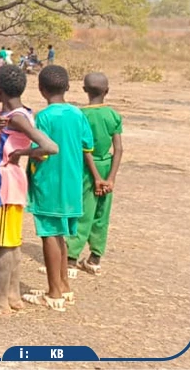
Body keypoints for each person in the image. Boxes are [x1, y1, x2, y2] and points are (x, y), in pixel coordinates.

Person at [0, 65, 58, 317]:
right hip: (0, 186)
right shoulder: (4, 114)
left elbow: (50, 147)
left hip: (4, 186)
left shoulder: (17, 118)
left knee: (3, 245)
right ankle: (12, 295)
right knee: (10, 242)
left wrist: (21, 153)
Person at [24, 65, 93, 312]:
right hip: (72, 183)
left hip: (50, 183)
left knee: (49, 235)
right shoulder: (77, 114)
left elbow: (41, 151)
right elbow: (87, 145)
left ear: (41, 89)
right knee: (59, 234)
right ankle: (63, 286)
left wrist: (22, 153)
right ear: (68, 87)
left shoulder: (44, 117)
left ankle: (53, 294)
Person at [69, 72, 123, 276]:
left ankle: (71, 259)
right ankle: (95, 259)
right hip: (107, 165)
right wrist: (110, 178)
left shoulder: (80, 115)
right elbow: (119, 149)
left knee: (83, 211)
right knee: (102, 213)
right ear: (107, 91)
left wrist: (96, 178)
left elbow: (85, 150)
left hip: (87, 168)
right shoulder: (113, 115)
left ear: (84, 90)